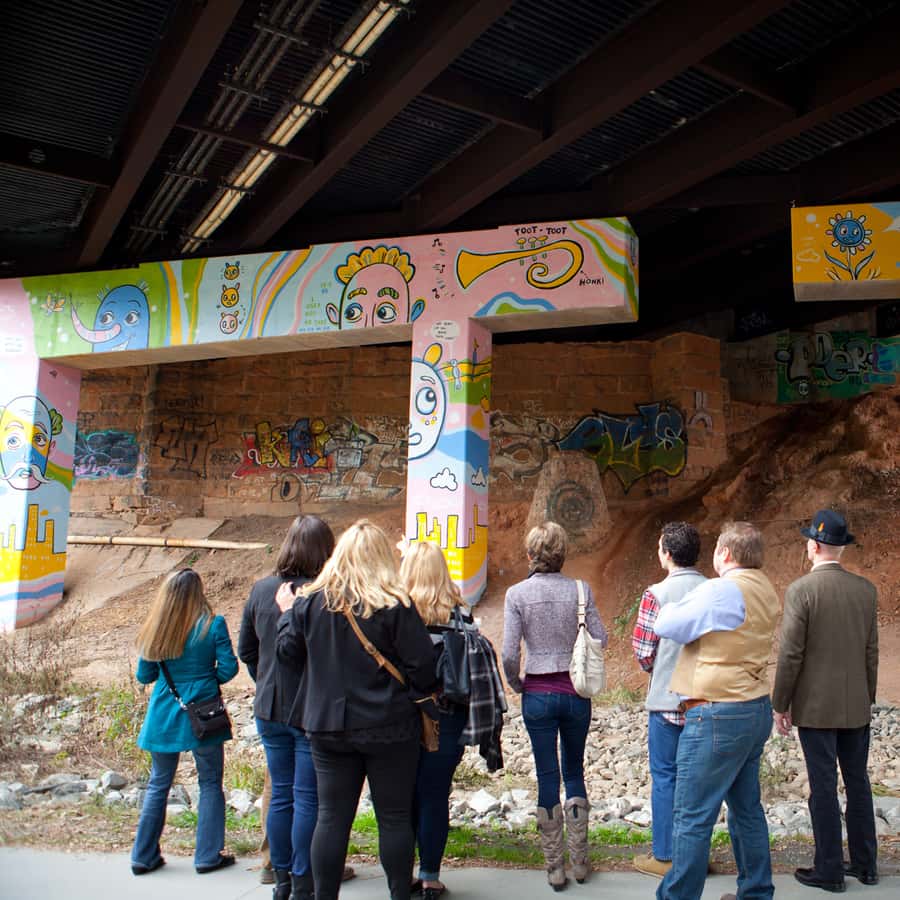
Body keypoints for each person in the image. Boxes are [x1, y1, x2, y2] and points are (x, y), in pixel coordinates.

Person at [276, 520, 438, 900]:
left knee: (331, 818)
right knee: (394, 818)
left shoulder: (312, 602)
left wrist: (287, 613)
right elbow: (425, 668)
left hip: (328, 725)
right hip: (389, 725)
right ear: (382, 558)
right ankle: (399, 894)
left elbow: (286, 655)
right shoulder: (395, 604)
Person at [653, 522, 780, 900]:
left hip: (716, 711)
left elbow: (666, 624)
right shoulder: (765, 588)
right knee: (747, 810)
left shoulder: (721, 589)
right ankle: (756, 892)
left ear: (724, 553)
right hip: (754, 705)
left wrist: (676, 604)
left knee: (692, 816)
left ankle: (678, 896)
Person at [772, 509, 879, 892]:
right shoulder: (865, 590)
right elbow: (871, 651)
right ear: (841, 549)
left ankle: (829, 869)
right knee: (858, 782)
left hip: (815, 708)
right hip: (855, 705)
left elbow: (791, 654)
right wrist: (867, 695)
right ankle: (866, 865)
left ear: (814, 546)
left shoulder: (801, 590)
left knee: (823, 787)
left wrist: (780, 702)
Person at [501, 521, 607, 891]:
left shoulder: (516, 594)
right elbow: (600, 637)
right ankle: (580, 862)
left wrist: (518, 684)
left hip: (537, 693)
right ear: (562, 553)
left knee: (547, 775)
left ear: (530, 554)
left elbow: (509, 654)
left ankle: (554, 868)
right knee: (574, 770)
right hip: (576, 692)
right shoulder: (580, 590)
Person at [239, 515, 335, 900]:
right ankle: (301, 877)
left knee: (281, 793)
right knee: (307, 796)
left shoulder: (262, 590)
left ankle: (281, 878)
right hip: (310, 708)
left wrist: (265, 678)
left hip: (269, 706)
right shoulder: (327, 596)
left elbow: (247, 650)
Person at [131, 568, 238, 876]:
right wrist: (205, 682)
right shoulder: (213, 624)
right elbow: (229, 668)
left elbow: (144, 676)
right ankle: (207, 855)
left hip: (164, 712)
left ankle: (143, 856)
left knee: (158, 782)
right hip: (204, 713)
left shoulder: (156, 627)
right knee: (210, 782)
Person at [632, 522, 706, 879]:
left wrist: (658, 669)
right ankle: (695, 855)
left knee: (665, 777)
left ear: (667, 554)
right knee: (699, 783)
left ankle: (664, 855)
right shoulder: (714, 590)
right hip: (705, 699)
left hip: (666, 700)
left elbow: (644, 650)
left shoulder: (656, 594)